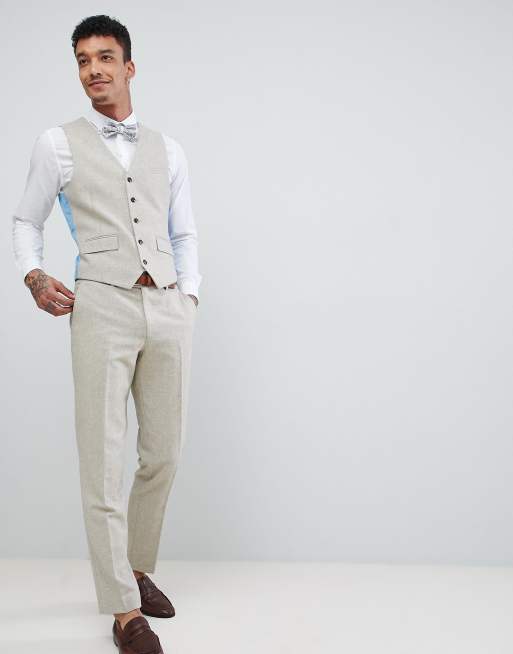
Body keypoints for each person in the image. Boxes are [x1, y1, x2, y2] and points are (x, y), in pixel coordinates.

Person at [12, 14, 202, 654]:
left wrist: (190, 296)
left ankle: (138, 570)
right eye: (82, 60)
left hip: (168, 307)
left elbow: (183, 231)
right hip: (101, 306)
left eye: (104, 57)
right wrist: (34, 275)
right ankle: (124, 611)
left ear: (128, 66)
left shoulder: (168, 149)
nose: (92, 69)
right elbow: (25, 219)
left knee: (164, 453)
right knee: (102, 459)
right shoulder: (57, 144)